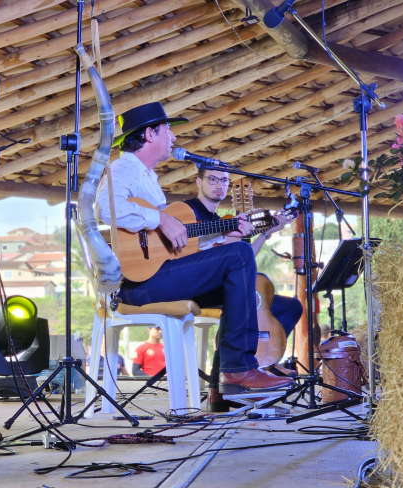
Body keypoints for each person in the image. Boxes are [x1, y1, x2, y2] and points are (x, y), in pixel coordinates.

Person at [95, 102, 294, 397]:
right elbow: (104, 208)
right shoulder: (123, 168)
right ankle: (238, 369)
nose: (174, 137)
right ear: (150, 134)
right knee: (239, 256)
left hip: (157, 276)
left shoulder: (148, 178)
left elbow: (174, 245)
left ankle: (222, 385)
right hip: (134, 286)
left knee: (243, 291)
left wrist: (224, 236)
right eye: (168, 130)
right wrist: (160, 218)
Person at [184, 168, 303, 411]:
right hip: (191, 283)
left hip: (219, 284)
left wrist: (265, 233)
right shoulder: (188, 213)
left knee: (289, 306)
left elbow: (243, 259)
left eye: (224, 180)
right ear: (199, 181)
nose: (219, 185)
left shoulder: (221, 220)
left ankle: (263, 361)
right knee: (239, 296)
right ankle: (223, 383)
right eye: (213, 179)